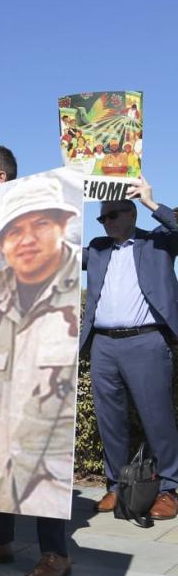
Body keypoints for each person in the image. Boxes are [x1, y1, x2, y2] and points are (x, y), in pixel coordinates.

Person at [0, 145, 71, 576]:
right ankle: (1, 538)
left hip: (41, 384)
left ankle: (55, 552)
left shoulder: (58, 275)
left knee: (43, 455)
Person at [82, 178, 178, 520]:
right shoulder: (96, 248)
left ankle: (169, 489)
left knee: (158, 418)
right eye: (102, 218)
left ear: (131, 213)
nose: (107, 222)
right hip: (104, 345)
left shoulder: (158, 243)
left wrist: (153, 203)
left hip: (146, 341)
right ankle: (115, 487)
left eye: (113, 215)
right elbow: (55, 256)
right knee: (110, 421)